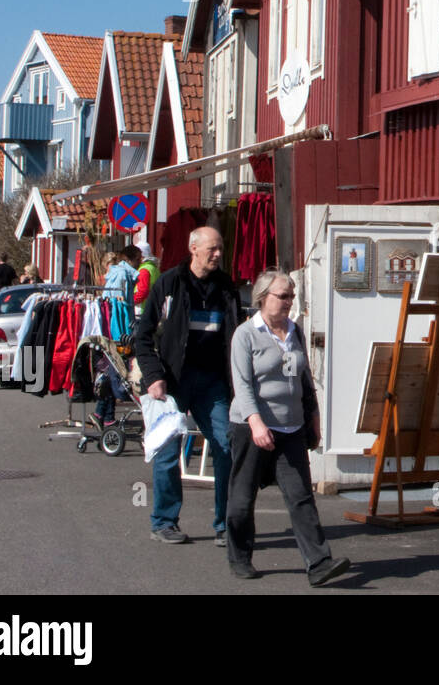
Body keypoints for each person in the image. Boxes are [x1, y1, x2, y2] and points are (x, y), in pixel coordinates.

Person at [226, 270, 348, 585]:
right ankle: (240, 556)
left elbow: (304, 379)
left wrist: (314, 418)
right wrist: (256, 423)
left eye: (291, 296)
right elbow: (242, 385)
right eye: (283, 296)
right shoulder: (246, 334)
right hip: (251, 426)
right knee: (242, 498)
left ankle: (319, 564)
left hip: (291, 427)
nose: (289, 302)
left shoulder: (295, 331)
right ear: (262, 297)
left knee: (301, 497)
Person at [132, 227, 240, 545]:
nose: (218, 254)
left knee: (225, 446)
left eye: (221, 248)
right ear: (193, 248)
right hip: (172, 382)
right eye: (212, 249)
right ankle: (164, 522)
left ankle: (225, 525)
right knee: (167, 452)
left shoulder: (227, 288)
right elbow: (143, 335)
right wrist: (153, 377)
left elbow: (236, 337)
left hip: (213, 382)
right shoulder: (168, 284)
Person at [134, 241, 160, 317]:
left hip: (141, 310)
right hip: (152, 308)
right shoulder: (154, 268)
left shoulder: (143, 270)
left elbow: (142, 292)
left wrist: (130, 301)